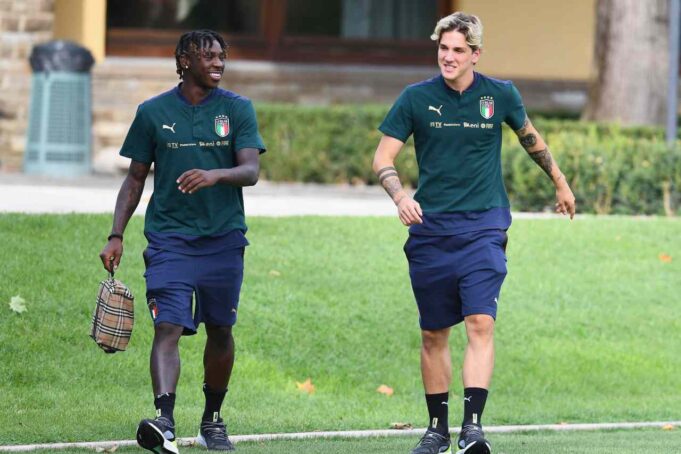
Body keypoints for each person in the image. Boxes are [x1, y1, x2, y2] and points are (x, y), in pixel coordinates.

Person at [372, 12, 575, 454]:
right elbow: (382, 157)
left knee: (481, 321)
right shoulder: (415, 98)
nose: (448, 57)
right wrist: (399, 196)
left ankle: (473, 429)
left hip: (484, 224)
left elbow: (529, 138)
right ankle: (437, 430)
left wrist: (559, 181)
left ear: (475, 55)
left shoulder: (500, 95)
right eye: (443, 49)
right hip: (431, 229)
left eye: (458, 50)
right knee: (434, 333)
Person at [99, 29, 266, 453]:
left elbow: (250, 171)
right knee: (168, 325)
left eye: (221, 56)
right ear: (184, 60)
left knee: (221, 329)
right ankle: (165, 420)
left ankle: (212, 420)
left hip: (224, 239)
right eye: (208, 56)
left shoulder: (237, 109)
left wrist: (215, 175)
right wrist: (116, 234)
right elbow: (135, 178)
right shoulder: (153, 112)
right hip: (169, 239)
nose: (218, 63)